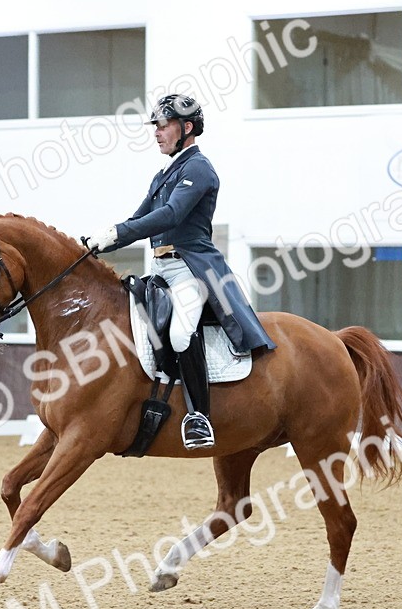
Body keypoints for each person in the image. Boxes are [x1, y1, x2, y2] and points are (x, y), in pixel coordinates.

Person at [87, 94, 276, 450]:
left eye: (163, 126)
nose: (156, 133)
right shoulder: (165, 173)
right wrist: (98, 245)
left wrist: (118, 233)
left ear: (186, 128)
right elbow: (138, 219)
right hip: (159, 268)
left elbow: (172, 215)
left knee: (178, 334)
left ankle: (199, 417)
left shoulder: (198, 168)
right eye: (155, 127)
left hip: (191, 270)